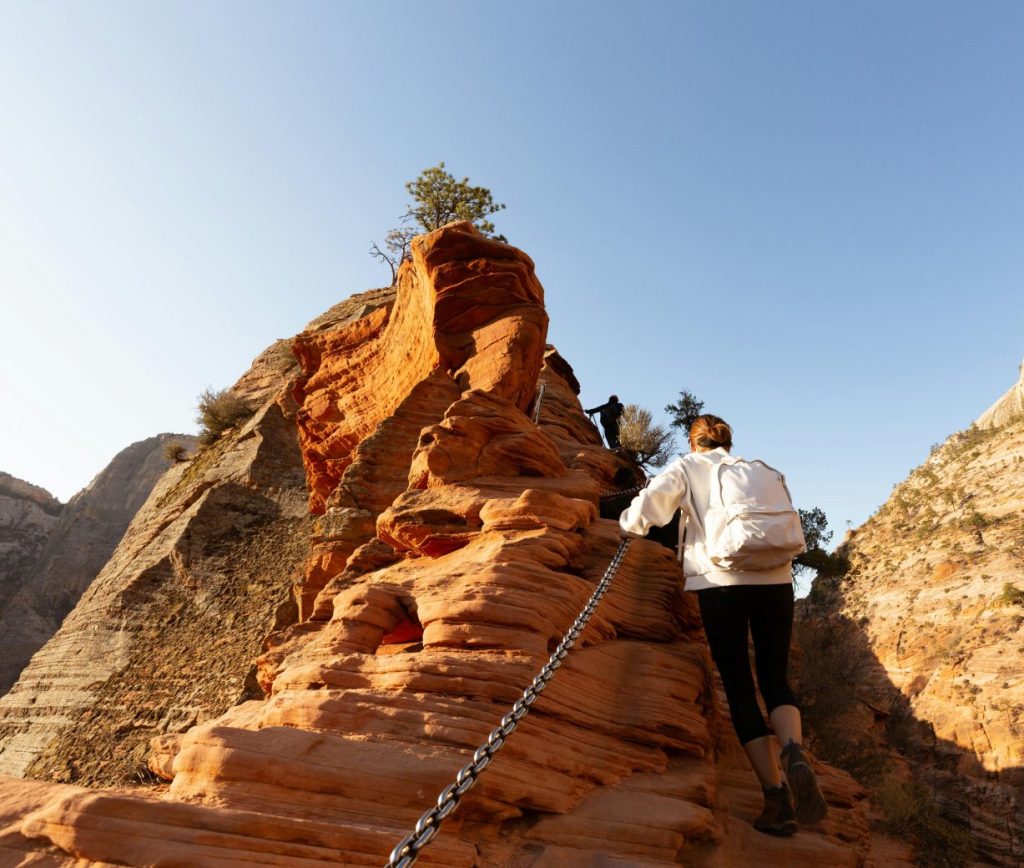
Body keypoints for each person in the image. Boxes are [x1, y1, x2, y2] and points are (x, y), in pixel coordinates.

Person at [618, 414, 827, 836]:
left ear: (694, 443)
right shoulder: (758, 469)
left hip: (721, 583)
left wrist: (626, 525)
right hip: (776, 580)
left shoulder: (687, 466)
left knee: (738, 686)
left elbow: (648, 509)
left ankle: (776, 800)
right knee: (775, 679)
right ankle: (793, 749)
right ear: (728, 443)